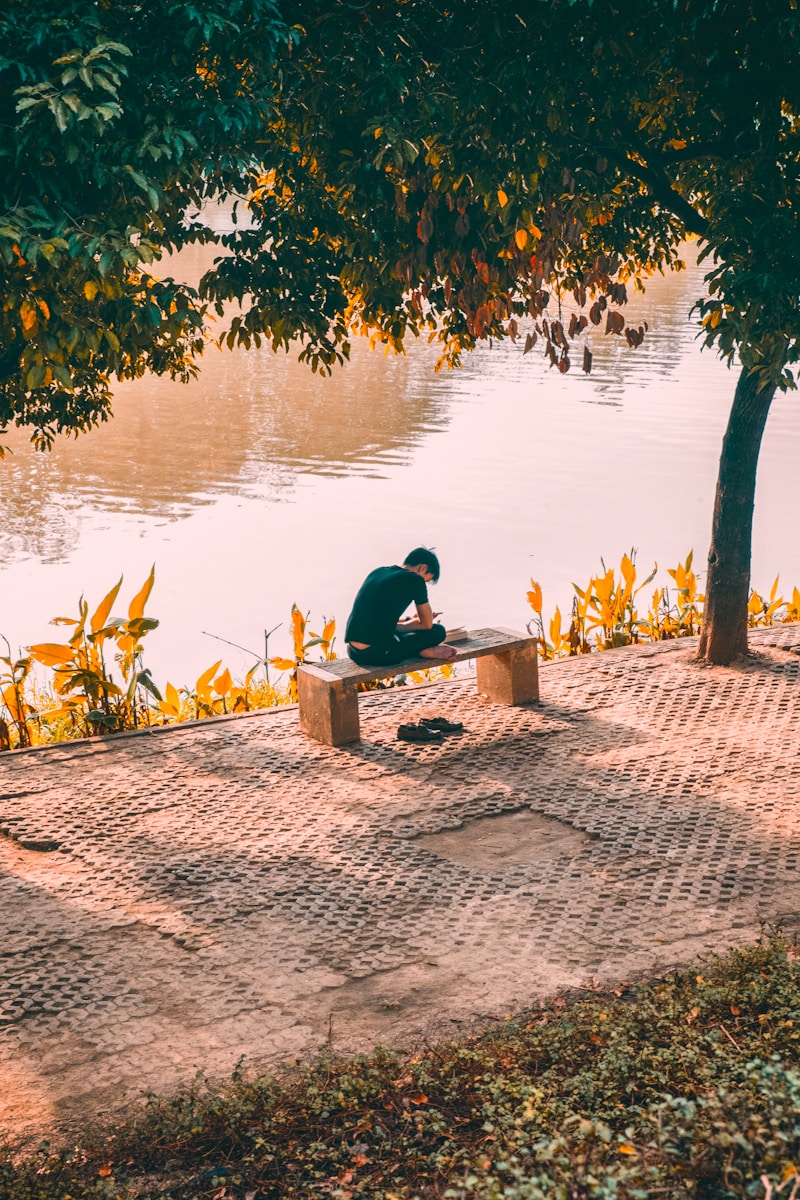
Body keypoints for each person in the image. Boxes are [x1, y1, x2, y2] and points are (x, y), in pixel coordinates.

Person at [345, 548, 457, 666]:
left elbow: (379, 621)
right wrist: (420, 621)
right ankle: (421, 651)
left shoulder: (378, 572)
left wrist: (411, 621)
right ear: (423, 568)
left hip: (354, 652)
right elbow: (427, 625)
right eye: (426, 580)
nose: (423, 583)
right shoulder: (415, 580)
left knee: (403, 634)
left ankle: (416, 648)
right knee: (438, 631)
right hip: (379, 654)